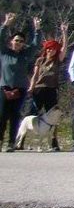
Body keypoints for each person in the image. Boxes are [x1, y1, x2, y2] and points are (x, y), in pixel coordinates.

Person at [0, 13, 42, 152]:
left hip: (20, 89)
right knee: (2, 115)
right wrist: (6, 24)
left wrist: (37, 29)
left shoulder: (25, 55)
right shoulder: (4, 52)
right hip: (4, 88)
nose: (18, 43)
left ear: (24, 44)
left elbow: (36, 45)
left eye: (21, 41)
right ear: (11, 41)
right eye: (16, 40)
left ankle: (11, 142)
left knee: (14, 116)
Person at [26, 21, 68, 151]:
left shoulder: (57, 60)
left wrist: (64, 33)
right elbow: (35, 74)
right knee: (32, 114)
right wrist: (31, 87)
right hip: (39, 89)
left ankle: (54, 142)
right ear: (46, 49)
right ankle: (26, 139)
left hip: (51, 89)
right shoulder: (40, 60)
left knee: (53, 116)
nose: (51, 51)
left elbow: (64, 49)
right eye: (49, 49)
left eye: (53, 49)